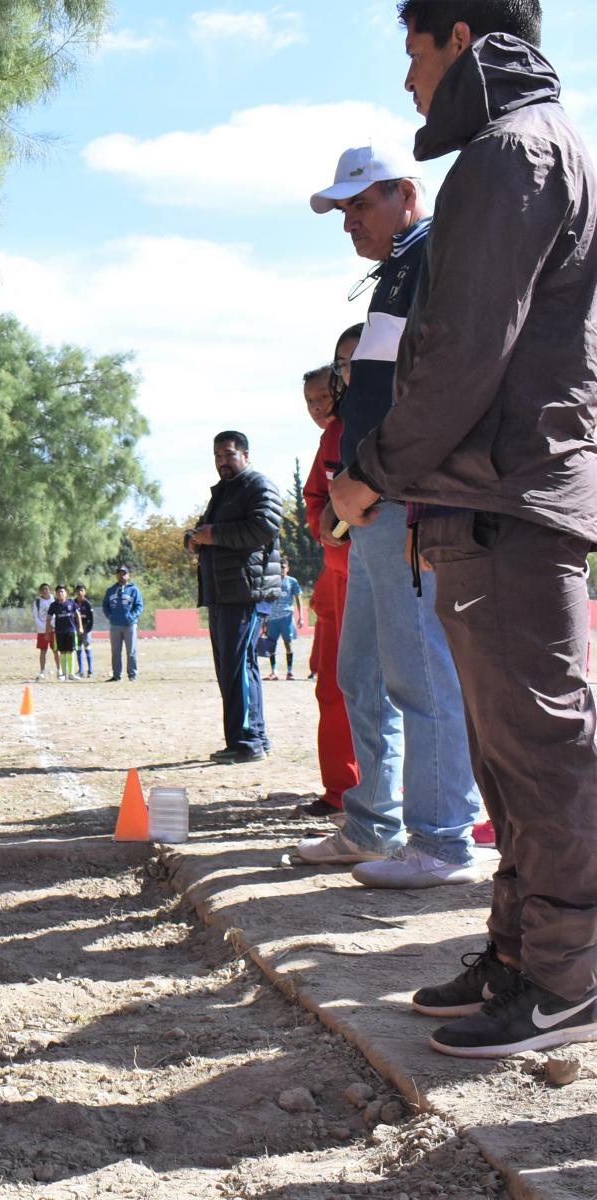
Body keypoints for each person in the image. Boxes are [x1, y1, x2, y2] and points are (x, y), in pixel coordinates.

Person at [332, 0, 597, 1058]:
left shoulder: (508, 157)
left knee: (538, 752)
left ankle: (568, 979)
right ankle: (523, 954)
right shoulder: (524, 149)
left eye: (411, 51)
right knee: (507, 754)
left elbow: (459, 355)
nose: (407, 82)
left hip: (504, 496)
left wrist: (372, 473)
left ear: (460, 39)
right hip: (491, 495)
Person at [303, 139, 482, 888]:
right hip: (373, 495)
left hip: (402, 496)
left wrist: (376, 480)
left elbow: (437, 388)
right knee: (361, 673)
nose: (348, 221)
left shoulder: (436, 256)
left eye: (360, 203)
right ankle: (370, 823)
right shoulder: (397, 270)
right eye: (341, 209)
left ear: (405, 194)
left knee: (419, 672)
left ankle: (441, 841)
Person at [188, 431, 282, 764]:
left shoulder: (258, 485)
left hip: (245, 592)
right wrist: (194, 539)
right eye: (217, 456)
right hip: (222, 592)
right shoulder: (224, 493)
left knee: (238, 667)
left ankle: (247, 742)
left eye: (228, 454)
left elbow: (265, 526)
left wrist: (212, 535)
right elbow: (202, 529)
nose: (222, 462)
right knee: (236, 666)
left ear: (246, 454)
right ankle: (252, 737)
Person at [300, 339, 363, 821]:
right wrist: (323, 521)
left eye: (325, 396)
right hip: (336, 582)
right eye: (310, 403)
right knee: (336, 686)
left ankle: (382, 796)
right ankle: (343, 789)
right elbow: (316, 499)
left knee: (396, 688)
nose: (319, 408)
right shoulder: (332, 437)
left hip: (382, 575)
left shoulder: (389, 420)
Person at [259, 573, 305, 681]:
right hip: (272, 617)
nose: (282, 569)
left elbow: (298, 597)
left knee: (288, 643)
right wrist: (264, 619)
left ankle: (289, 672)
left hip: (286, 616)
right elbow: (266, 600)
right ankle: (274, 672)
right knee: (271, 645)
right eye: (280, 567)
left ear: (288, 569)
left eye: (284, 567)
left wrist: (301, 616)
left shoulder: (292, 581)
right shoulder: (271, 581)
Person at [102, 566, 142, 681]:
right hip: (115, 625)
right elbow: (105, 605)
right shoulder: (111, 590)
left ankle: (132, 674)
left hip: (129, 625)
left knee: (131, 651)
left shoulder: (134, 590)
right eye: (119, 573)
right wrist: (110, 616)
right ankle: (116, 675)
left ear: (128, 575)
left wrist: (131, 616)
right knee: (115, 651)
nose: (122, 575)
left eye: (124, 573)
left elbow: (139, 606)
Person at [45, 586, 79, 682]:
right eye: (58, 592)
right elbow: (48, 618)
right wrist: (47, 631)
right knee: (62, 652)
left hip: (71, 631)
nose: (60, 593)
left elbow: (78, 614)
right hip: (59, 631)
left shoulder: (71, 602)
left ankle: (71, 674)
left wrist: (79, 626)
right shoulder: (53, 605)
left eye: (62, 592)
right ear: (56, 594)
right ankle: (64, 674)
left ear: (66, 593)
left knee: (71, 651)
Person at [71, 585, 95, 678]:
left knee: (88, 648)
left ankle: (90, 671)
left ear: (84, 592)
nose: (79, 592)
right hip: (76, 631)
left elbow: (91, 619)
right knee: (78, 649)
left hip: (86, 631)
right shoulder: (72, 603)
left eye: (81, 590)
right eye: (78, 591)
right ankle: (81, 670)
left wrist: (87, 630)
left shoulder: (88, 604)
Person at [30, 583, 53, 680]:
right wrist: (44, 628)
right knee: (43, 650)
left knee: (56, 650)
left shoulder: (54, 600)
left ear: (50, 590)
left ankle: (60, 671)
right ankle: (42, 671)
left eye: (46, 589)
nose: (45, 591)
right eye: (43, 589)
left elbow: (55, 615)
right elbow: (36, 616)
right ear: (40, 591)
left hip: (53, 629)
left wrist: (52, 626)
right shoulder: (37, 602)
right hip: (42, 630)